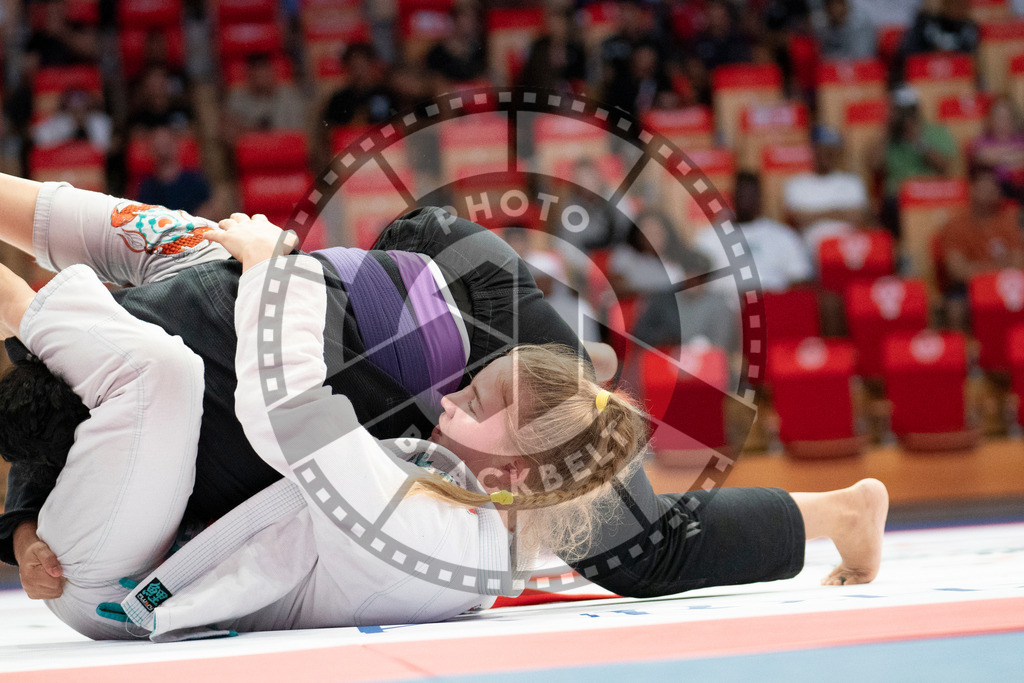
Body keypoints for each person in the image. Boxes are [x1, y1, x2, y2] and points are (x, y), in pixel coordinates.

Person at [0, 175, 887, 605]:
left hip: (434, 318)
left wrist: (23, 530)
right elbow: (43, 228)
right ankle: (580, 373)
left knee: (633, 549)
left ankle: (844, 511)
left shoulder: (182, 287)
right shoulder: (179, 263)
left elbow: (43, 239)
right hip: (413, 286)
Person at [0, 215, 646, 640]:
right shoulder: (469, 517)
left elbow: (287, 410)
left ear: (513, 473)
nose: (451, 401)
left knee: (155, 369)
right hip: (125, 553)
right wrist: (22, 523)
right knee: (166, 318)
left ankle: (19, 307)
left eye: (476, 406)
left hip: (113, 587)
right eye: (469, 388)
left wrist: (271, 268)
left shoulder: (427, 535)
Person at [935, 164, 1024, 331]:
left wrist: (986, 272)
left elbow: (1019, 263)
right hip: (969, 288)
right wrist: (997, 270)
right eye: (984, 186)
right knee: (956, 307)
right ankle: (964, 353)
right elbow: (957, 271)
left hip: (1006, 285)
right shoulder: (955, 226)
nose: (990, 191)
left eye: (994, 187)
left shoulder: (1009, 222)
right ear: (972, 189)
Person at [872, 86, 956, 237]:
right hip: (899, 196)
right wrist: (887, 132)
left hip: (930, 193)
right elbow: (874, 165)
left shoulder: (936, 131)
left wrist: (919, 142)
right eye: (900, 110)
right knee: (890, 207)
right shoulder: (888, 138)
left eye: (909, 110)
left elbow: (944, 166)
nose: (905, 116)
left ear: (917, 109)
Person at [784, 126, 870, 256]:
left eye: (831, 149)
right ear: (814, 150)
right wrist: (839, 212)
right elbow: (797, 220)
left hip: (849, 252)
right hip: (811, 250)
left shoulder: (852, 182)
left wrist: (814, 215)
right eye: (822, 149)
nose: (826, 153)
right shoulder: (797, 184)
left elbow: (859, 218)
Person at [223, 53, 305, 138]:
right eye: (256, 75)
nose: (261, 79)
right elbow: (229, 133)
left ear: (272, 73)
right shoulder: (237, 98)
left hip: (285, 147)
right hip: (250, 148)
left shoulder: (290, 97)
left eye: (264, 73)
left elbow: (298, 132)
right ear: (249, 76)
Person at [136, 126, 213, 216]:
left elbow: (209, 208)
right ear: (151, 150)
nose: (162, 150)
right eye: (158, 146)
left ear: (174, 144)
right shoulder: (147, 188)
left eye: (166, 144)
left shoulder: (195, 180)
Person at [322, 43, 395, 127]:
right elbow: (330, 129)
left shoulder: (388, 94)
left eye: (362, 65)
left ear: (371, 64)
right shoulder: (339, 99)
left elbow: (400, 124)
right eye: (354, 66)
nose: (359, 71)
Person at [969, 97, 1024, 203]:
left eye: (1007, 117)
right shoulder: (981, 141)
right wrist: (1015, 157)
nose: (1002, 122)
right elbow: (982, 157)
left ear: (1014, 119)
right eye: (998, 117)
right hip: (994, 188)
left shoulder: (1021, 139)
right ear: (990, 119)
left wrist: (998, 157)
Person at [814, 0, 876, 64]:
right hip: (832, 69)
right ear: (825, 9)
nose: (836, 9)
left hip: (859, 69)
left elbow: (863, 57)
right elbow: (821, 59)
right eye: (831, 6)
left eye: (840, 4)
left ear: (847, 7)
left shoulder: (861, 27)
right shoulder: (821, 31)